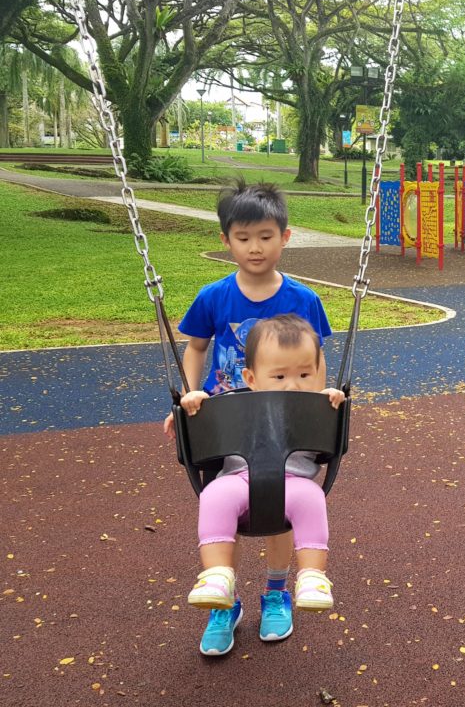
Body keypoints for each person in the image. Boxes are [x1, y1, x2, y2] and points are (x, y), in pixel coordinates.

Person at [162, 180, 333, 655]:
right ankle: (223, 603)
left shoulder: (304, 300)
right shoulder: (214, 296)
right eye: (243, 237)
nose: (255, 247)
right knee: (221, 503)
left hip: (287, 422)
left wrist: (316, 404)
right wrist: (189, 395)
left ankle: (277, 592)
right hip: (228, 423)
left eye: (265, 235)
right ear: (226, 241)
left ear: (285, 237)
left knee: (280, 511)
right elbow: (196, 348)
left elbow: (315, 359)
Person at [180, 314, 344, 654]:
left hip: (294, 483)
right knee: (214, 496)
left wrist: (332, 403)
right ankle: (219, 579)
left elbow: (329, 435)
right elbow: (204, 422)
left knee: (313, 499)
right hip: (238, 479)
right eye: (280, 375)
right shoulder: (232, 404)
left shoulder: (315, 405)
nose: (293, 385)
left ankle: (312, 577)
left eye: (304, 374)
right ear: (251, 378)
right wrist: (195, 402)